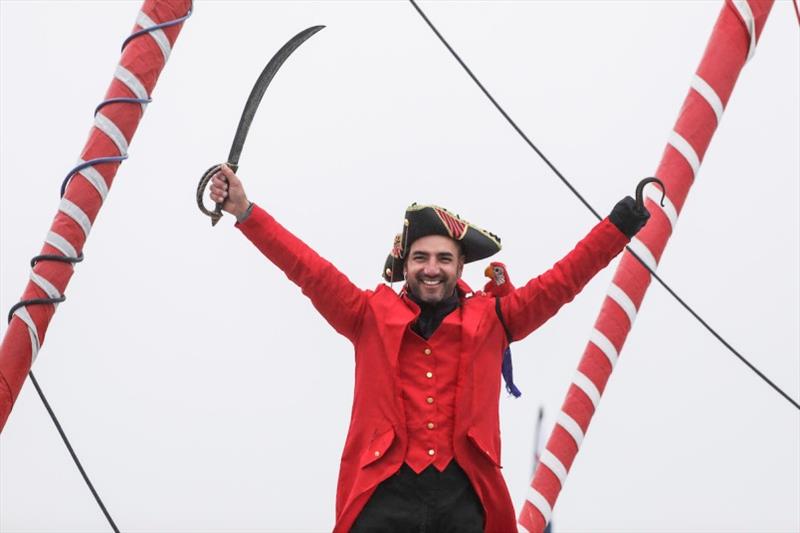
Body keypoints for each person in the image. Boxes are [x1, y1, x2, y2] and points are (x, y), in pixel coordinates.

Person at [208, 164, 649, 533]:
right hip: (383, 498)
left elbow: (563, 281)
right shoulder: (368, 315)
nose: (431, 269)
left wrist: (617, 228)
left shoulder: (495, 319)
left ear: (460, 266)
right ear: (405, 266)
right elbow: (307, 269)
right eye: (420, 258)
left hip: (464, 500)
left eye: (443, 259)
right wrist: (245, 212)